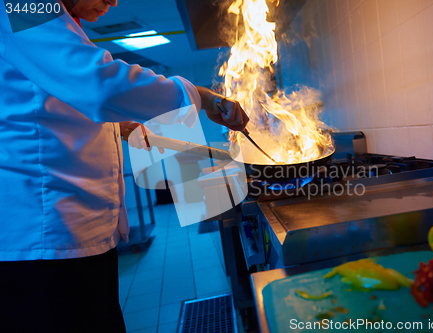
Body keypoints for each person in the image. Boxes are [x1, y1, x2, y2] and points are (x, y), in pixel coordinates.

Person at [0, 0, 249, 332]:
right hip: (45, 244)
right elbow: (98, 84)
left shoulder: (54, 19)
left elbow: (51, 107)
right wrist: (200, 97)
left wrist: (116, 126)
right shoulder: (23, 5)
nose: (114, 1)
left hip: (71, 239)